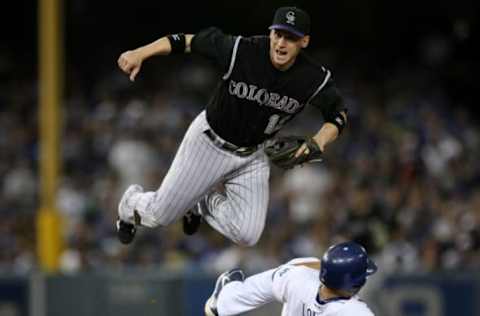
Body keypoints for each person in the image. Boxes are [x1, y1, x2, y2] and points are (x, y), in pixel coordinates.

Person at [116, 6, 348, 246]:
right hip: (209, 142)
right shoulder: (241, 51)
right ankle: (129, 203)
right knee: (159, 216)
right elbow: (187, 42)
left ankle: (201, 200)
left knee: (248, 234)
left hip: (253, 155)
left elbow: (338, 113)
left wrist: (319, 140)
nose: (281, 43)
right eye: (278, 34)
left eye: (290, 38)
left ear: (304, 41)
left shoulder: (311, 78)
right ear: (270, 34)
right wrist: (141, 52)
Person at [204, 241, 378, 316]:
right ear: (355, 284)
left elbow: (308, 267)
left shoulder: (298, 279)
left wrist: (328, 266)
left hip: (299, 285)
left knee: (294, 268)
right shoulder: (356, 311)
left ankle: (223, 302)